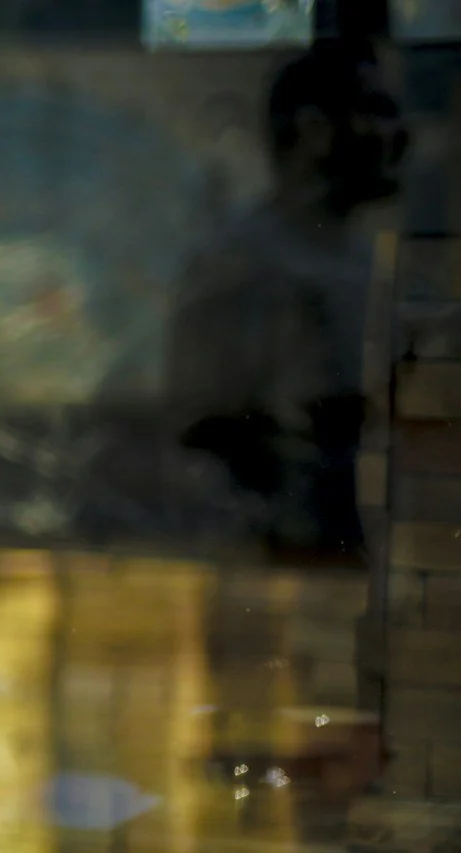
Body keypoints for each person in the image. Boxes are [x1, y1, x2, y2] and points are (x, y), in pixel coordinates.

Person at [164, 39, 407, 561]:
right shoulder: (241, 266)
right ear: (313, 129)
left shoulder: (368, 264)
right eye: (375, 112)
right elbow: (207, 442)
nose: (397, 136)